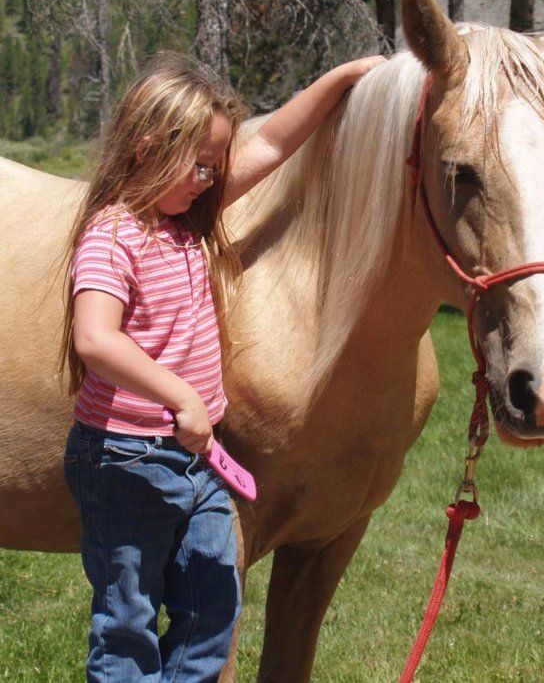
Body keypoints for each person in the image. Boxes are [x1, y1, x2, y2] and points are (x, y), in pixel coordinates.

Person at [59, 50, 385, 682]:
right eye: (200, 165)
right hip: (125, 459)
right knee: (127, 619)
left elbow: (272, 147)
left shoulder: (192, 220)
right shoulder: (112, 234)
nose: (211, 179)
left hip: (197, 458)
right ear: (147, 148)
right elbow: (95, 339)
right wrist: (179, 393)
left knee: (214, 602)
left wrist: (341, 79)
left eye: (216, 166)